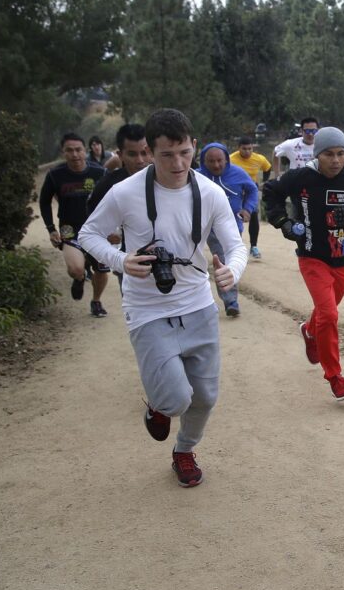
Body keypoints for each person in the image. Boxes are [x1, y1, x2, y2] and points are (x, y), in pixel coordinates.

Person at [78, 109, 248, 487]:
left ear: (195, 148)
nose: (178, 163)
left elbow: (236, 247)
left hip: (198, 304)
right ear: (149, 153)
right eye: (167, 155)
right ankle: (159, 405)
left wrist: (230, 272)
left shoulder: (210, 193)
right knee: (175, 399)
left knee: (204, 396)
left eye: (185, 153)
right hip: (148, 310)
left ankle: (184, 450)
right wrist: (121, 260)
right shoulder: (125, 193)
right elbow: (88, 235)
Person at [262, 127, 344, 401]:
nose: (335, 160)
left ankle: (310, 331)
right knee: (330, 314)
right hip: (312, 257)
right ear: (317, 154)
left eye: (341, 154)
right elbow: (271, 192)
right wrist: (283, 222)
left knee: (326, 313)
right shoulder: (302, 178)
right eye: (329, 154)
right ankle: (335, 377)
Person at [38, 133, 109, 315]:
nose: (75, 154)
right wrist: (51, 229)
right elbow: (44, 201)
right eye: (69, 150)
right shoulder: (55, 175)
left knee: (101, 270)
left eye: (78, 150)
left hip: (97, 229)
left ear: (85, 151)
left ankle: (96, 301)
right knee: (76, 268)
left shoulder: (99, 173)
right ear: (63, 153)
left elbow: (113, 199)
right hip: (69, 228)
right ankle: (79, 278)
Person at [85, 123, 154, 297]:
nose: (140, 160)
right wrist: (109, 234)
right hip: (128, 259)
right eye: (132, 154)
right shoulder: (109, 185)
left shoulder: (167, 179)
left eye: (144, 153)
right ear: (120, 154)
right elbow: (91, 217)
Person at [197, 142, 259, 317]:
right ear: (203, 161)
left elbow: (253, 190)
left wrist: (248, 209)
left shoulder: (238, 174)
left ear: (226, 159)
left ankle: (231, 300)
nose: (216, 165)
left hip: (229, 225)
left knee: (222, 257)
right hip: (202, 225)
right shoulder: (196, 177)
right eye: (211, 161)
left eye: (220, 161)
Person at [230, 136, 273, 259]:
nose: (247, 151)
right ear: (239, 148)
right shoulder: (231, 159)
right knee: (234, 218)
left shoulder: (259, 158)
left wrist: (264, 182)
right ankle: (234, 246)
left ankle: (254, 246)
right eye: (244, 149)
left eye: (250, 149)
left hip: (250, 192)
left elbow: (268, 168)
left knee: (253, 215)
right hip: (236, 192)